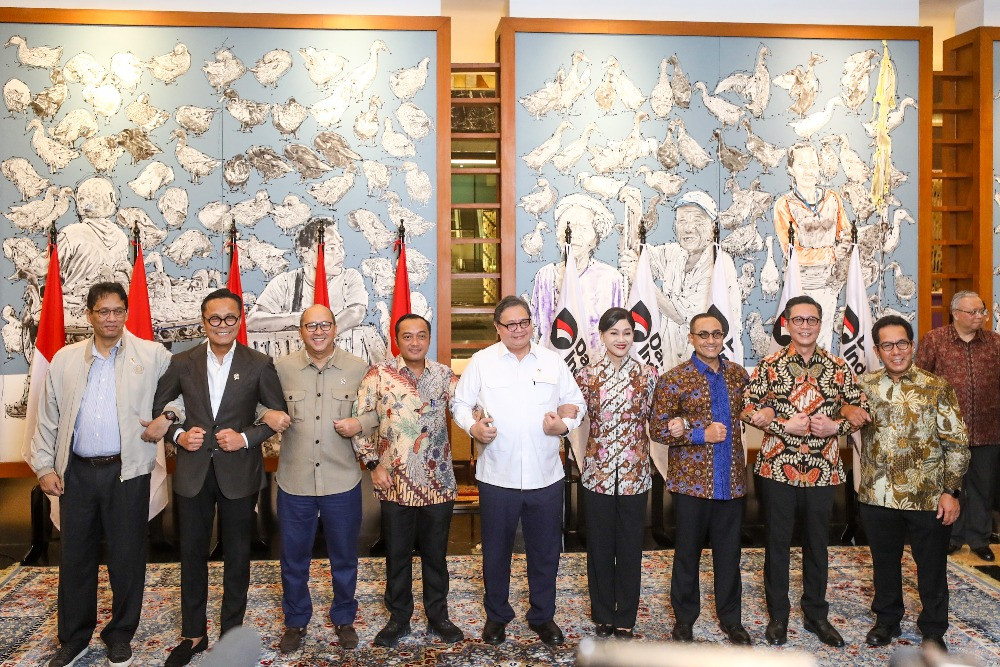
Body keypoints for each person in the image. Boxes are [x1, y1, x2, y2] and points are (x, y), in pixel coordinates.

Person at [28, 282, 178, 667]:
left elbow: (179, 394)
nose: (111, 318)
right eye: (103, 311)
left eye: (118, 311)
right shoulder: (64, 359)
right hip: (76, 473)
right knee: (75, 557)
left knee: (127, 558)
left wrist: (168, 417)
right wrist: (44, 466)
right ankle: (74, 639)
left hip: (127, 472)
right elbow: (47, 417)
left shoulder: (152, 355)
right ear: (89, 315)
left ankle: (120, 635)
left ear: (126, 313)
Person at [152, 288, 286, 666]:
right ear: (203, 321)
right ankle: (194, 634)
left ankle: (231, 636)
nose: (222, 324)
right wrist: (179, 435)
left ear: (240, 320)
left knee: (237, 556)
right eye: (215, 318)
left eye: (230, 318)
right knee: (191, 554)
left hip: (239, 472)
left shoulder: (259, 363)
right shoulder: (182, 362)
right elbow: (159, 409)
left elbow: (277, 415)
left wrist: (244, 438)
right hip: (193, 473)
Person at [452, 295, 586, 646]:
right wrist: (473, 428)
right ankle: (497, 617)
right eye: (509, 324)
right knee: (496, 553)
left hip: (546, 476)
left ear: (531, 324)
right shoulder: (482, 362)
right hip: (498, 475)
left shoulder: (553, 362)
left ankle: (543, 616)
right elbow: (460, 404)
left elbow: (576, 402)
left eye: (524, 322)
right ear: (497, 328)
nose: (518, 330)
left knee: (545, 553)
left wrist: (565, 425)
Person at [740, 295, 867, 648]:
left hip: (823, 470)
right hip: (776, 469)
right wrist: (782, 425)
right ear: (787, 324)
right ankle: (778, 616)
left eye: (812, 320)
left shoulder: (838, 366)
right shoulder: (769, 365)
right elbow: (746, 408)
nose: (805, 326)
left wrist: (837, 427)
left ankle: (816, 615)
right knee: (777, 544)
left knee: (817, 545)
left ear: (820, 324)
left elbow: (861, 407)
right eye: (798, 320)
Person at [341, 313, 464, 647]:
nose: (415, 342)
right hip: (394, 483)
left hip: (438, 482)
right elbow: (358, 421)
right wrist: (373, 465)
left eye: (421, 335)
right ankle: (398, 619)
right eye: (407, 336)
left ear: (429, 339)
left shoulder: (444, 375)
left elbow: (468, 407)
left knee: (436, 557)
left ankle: (438, 617)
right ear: (396, 340)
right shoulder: (379, 375)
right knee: (397, 556)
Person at [256, 305, 370, 654]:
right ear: (301, 331)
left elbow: (378, 409)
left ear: (335, 328)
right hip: (295, 481)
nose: (318, 331)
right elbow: (256, 404)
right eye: (310, 326)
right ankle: (295, 621)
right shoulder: (281, 368)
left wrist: (361, 422)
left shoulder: (358, 367)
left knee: (344, 557)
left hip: (342, 480)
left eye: (324, 325)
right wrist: (268, 413)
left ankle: (344, 618)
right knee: (293, 559)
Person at [853, 315, 969, 651]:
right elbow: (840, 419)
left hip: (927, 497)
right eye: (887, 345)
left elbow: (957, 443)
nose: (896, 351)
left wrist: (951, 491)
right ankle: (887, 621)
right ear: (877, 350)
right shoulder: (864, 387)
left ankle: (933, 629)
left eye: (902, 343)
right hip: (877, 495)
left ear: (912, 345)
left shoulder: (937, 387)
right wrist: (845, 411)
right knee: (884, 564)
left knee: (931, 567)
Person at [649, 312, 752, 645]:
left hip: (731, 482)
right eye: (703, 334)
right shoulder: (674, 379)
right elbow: (657, 429)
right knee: (687, 554)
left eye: (716, 334)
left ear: (723, 338)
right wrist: (698, 434)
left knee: (729, 556)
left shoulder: (738, 375)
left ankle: (731, 620)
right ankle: (684, 620)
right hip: (691, 484)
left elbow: (753, 412)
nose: (710, 340)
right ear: (691, 338)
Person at [574, 307, 657, 639]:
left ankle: (626, 616)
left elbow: (658, 420)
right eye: (613, 333)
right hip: (597, 473)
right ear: (602, 336)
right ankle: (603, 613)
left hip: (636, 474)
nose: (621, 339)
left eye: (626, 332)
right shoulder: (586, 376)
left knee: (630, 547)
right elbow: (573, 417)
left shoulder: (648, 374)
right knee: (599, 547)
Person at [915, 290, 1000, 562]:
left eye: (982, 311)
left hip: (988, 429)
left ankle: (980, 539)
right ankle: (951, 537)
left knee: (983, 488)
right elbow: (919, 381)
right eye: (973, 312)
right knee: (950, 488)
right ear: (955, 314)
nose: (980, 317)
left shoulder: (995, 342)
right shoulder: (934, 341)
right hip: (946, 433)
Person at [620, 190, 740, 370]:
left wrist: (642, 280)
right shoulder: (676, 253)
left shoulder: (719, 264)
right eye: (682, 221)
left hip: (707, 368)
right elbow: (638, 251)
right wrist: (634, 212)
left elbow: (680, 314)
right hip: (671, 366)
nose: (688, 228)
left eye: (697, 220)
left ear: (712, 226)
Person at [246, 216, 385, 364]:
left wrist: (323, 333)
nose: (340, 253)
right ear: (306, 253)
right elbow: (253, 320)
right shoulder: (285, 282)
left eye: (340, 246)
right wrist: (299, 319)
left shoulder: (350, 277)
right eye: (331, 248)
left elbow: (356, 312)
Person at [773, 142, 851, 350]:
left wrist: (845, 243)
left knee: (823, 341)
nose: (809, 170)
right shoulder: (785, 204)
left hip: (829, 284)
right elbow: (792, 252)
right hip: (799, 285)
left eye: (813, 164)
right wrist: (831, 253)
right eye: (802, 165)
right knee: (796, 344)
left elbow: (845, 233)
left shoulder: (832, 199)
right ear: (791, 169)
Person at [530, 193, 625, 354]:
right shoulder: (545, 275)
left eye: (584, 228)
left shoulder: (610, 277)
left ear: (595, 238)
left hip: (595, 362)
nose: (573, 234)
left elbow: (619, 328)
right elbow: (536, 327)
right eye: (568, 226)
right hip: (552, 361)